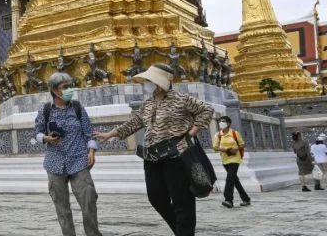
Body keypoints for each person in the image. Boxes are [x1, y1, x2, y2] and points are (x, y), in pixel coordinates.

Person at [94, 64, 213, 236]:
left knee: (182, 201)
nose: (147, 84)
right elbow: (134, 123)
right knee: (156, 198)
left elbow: (206, 110)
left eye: (150, 80)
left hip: (177, 155)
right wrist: (110, 134)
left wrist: (193, 130)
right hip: (152, 156)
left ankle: (184, 232)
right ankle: (182, 231)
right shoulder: (148, 104)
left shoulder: (181, 99)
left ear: (160, 82)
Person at [35, 72, 101, 236]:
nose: (69, 90)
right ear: (54, 90)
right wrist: (46, 138)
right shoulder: (45, 110)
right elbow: (36, 134)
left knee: (88, 201)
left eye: (70, 86)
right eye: (65, 87)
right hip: (55, 163)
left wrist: (91, 151)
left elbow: (89, 133)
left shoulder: (78, 108)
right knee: (62, 209)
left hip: (79, 161)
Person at [213, 116, 250, 208]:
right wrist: (225, 150)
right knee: (235, 180)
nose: (221, 123)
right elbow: (215, 147)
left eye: (224, 121)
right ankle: (246, 199)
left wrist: (235, 149)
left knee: (229, 179)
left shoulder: (234, 133)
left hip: (235, 159)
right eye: (220, 121)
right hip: (225, 160)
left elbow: (242, 144)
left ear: (229, 123)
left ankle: (228, 200)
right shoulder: (218, 135)